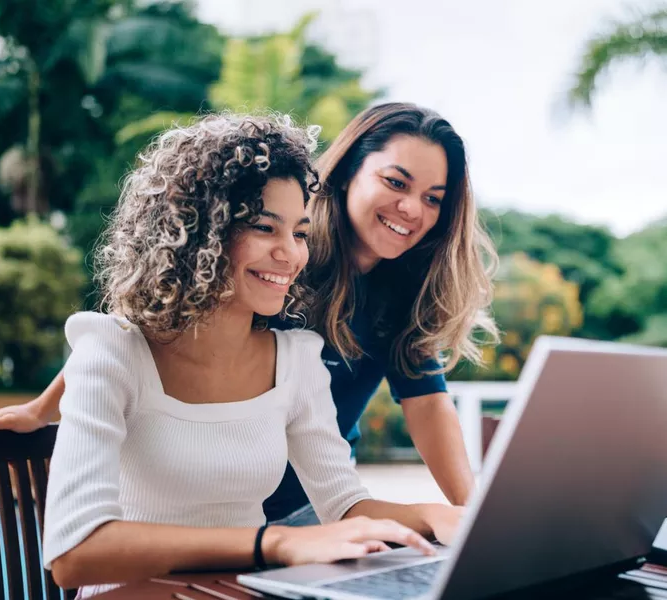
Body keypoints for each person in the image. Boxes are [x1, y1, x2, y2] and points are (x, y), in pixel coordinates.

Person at [0, 102, 498, 527]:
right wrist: (44, 408)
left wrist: (469, 514)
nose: (412, 209)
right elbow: (142, 329)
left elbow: (429, 406)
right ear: (346, 175)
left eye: (434, 198)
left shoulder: (405, 292)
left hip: (313, 500)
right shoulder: (277, 259)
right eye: (396, 182)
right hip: (207, 503)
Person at [42, 113, 460, 597]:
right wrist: (276, 543)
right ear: (197, 231)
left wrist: (439, 515)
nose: (292, 255)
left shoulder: (298, 360)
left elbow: (344, 503)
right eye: (265, 227)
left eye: (300, 233)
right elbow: (74, 556)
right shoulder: (112, 352)